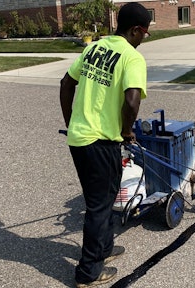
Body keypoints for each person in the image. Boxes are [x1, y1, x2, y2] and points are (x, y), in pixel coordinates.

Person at [59, 2, 151, 287]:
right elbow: (132, 101)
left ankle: (104, 249)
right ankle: (88, 272)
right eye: (144, 34)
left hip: (79, 138)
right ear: (135, 30)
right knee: (99, 206)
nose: (142, 40)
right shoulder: (131, 58)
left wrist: (73, 120)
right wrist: (126, 131)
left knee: (105, 198)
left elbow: (66, 83)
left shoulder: (92, 48)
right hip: (100, 142)